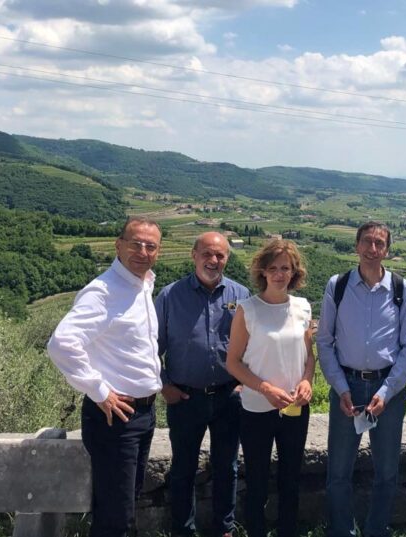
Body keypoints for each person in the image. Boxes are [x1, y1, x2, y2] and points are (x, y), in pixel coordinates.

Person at [47, 216, 163, 537]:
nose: (142, 251)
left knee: (123, 506)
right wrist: (99, 390)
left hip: (142, 413)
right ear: (118, 245)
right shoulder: (103, 292)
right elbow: (61, 344)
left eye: (150, 246)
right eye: (135, 243)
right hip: (116, 416)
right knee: (117, 518)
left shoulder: (142, 285)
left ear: (158, 251)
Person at [317, 221, 406, 537]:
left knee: (387, 472)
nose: (372, 249)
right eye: (367, 242)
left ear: (387, 250)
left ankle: (376, 530)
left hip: (387, 389)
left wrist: (387, 392)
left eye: (379, 244)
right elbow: (324, 341)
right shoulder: (338, 285)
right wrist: (341, 388)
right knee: (338, 472)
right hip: (347, 387)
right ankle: (342, 531)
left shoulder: (403, 290)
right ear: (357, 246)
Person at [155, 232, 250, 537]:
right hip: (184, 398)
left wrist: (242, 385)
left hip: (228, 396)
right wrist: (164, 385)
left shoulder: (241, 295)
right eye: (207, 253)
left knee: (228, 467)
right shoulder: (170, 296)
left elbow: (253, 346)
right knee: (183, 469)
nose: (214, 260)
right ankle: (183, 531)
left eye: (220, 255)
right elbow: (150, 348)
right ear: (193, 254)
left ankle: (224, 529)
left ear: (227, 258)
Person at [225, 239, 315, 537]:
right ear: (262, 271)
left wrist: (306, 381)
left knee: (291, 478)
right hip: (256, 409)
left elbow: (308, 357)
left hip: (294, 408)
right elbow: (233, 363)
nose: (279, 274)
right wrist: (265, 389)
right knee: (258, 480)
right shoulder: (247, 310)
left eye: (285, 268)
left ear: (294, 272)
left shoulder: (302, 307)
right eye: (273, 268)